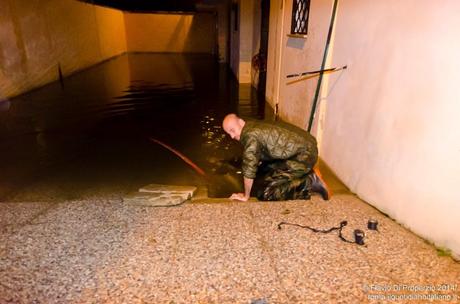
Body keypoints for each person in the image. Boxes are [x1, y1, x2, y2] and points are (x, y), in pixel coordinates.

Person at [222, 113, 331, 202]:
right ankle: (304, 173)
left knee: (267, 194)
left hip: (304, 155)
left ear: (241, 122)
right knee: (262, 173)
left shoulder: (250, 136)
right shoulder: (250, 125)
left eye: (232, 130)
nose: (232, 136)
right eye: (228, 133)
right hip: (305, 146)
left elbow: (249, 169)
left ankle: (310, 181)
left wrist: (246, 196)